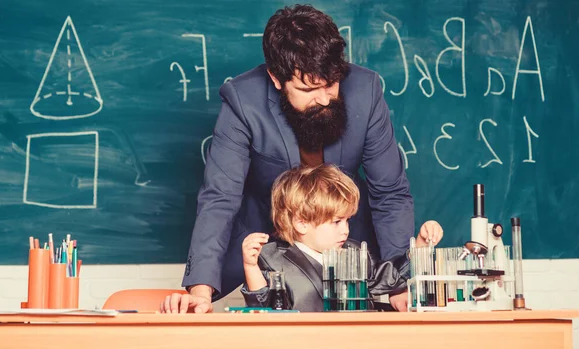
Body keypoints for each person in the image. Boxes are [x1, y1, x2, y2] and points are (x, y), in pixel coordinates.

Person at [161, 4, 415, 314]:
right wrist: (200, 291)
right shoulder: (243, 99)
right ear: (277, 78)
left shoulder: (367, 89)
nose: (324, 98)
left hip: (346, 247)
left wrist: (402, 282)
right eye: (309, 88)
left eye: (331, 84)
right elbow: (220, 197)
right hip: (267, 239)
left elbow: (389, 191)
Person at [241, 164, 443, 312]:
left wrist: (421, 246)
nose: (345, 230)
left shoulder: (353, 252)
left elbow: (393, 278)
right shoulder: (271, 257)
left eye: (348, 221)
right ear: (301, 223)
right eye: (336, 222)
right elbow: (265, 309)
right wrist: (251, 267)